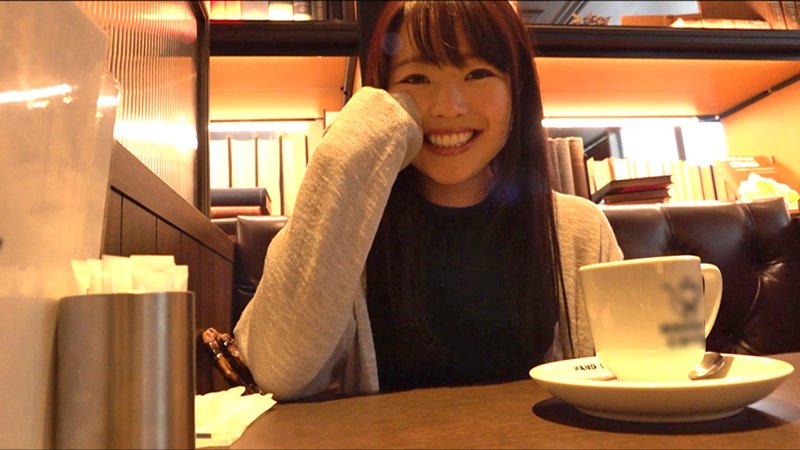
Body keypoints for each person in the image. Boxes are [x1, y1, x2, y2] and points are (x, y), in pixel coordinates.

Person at [234, 0, 623, 400]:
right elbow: (279, 371)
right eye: (417, 78)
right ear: (383, 96)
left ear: (516, 87)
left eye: (477, 73)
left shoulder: (579, 231)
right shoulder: (349, 235)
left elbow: (625, 376)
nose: (447, 108)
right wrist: (341, 159)